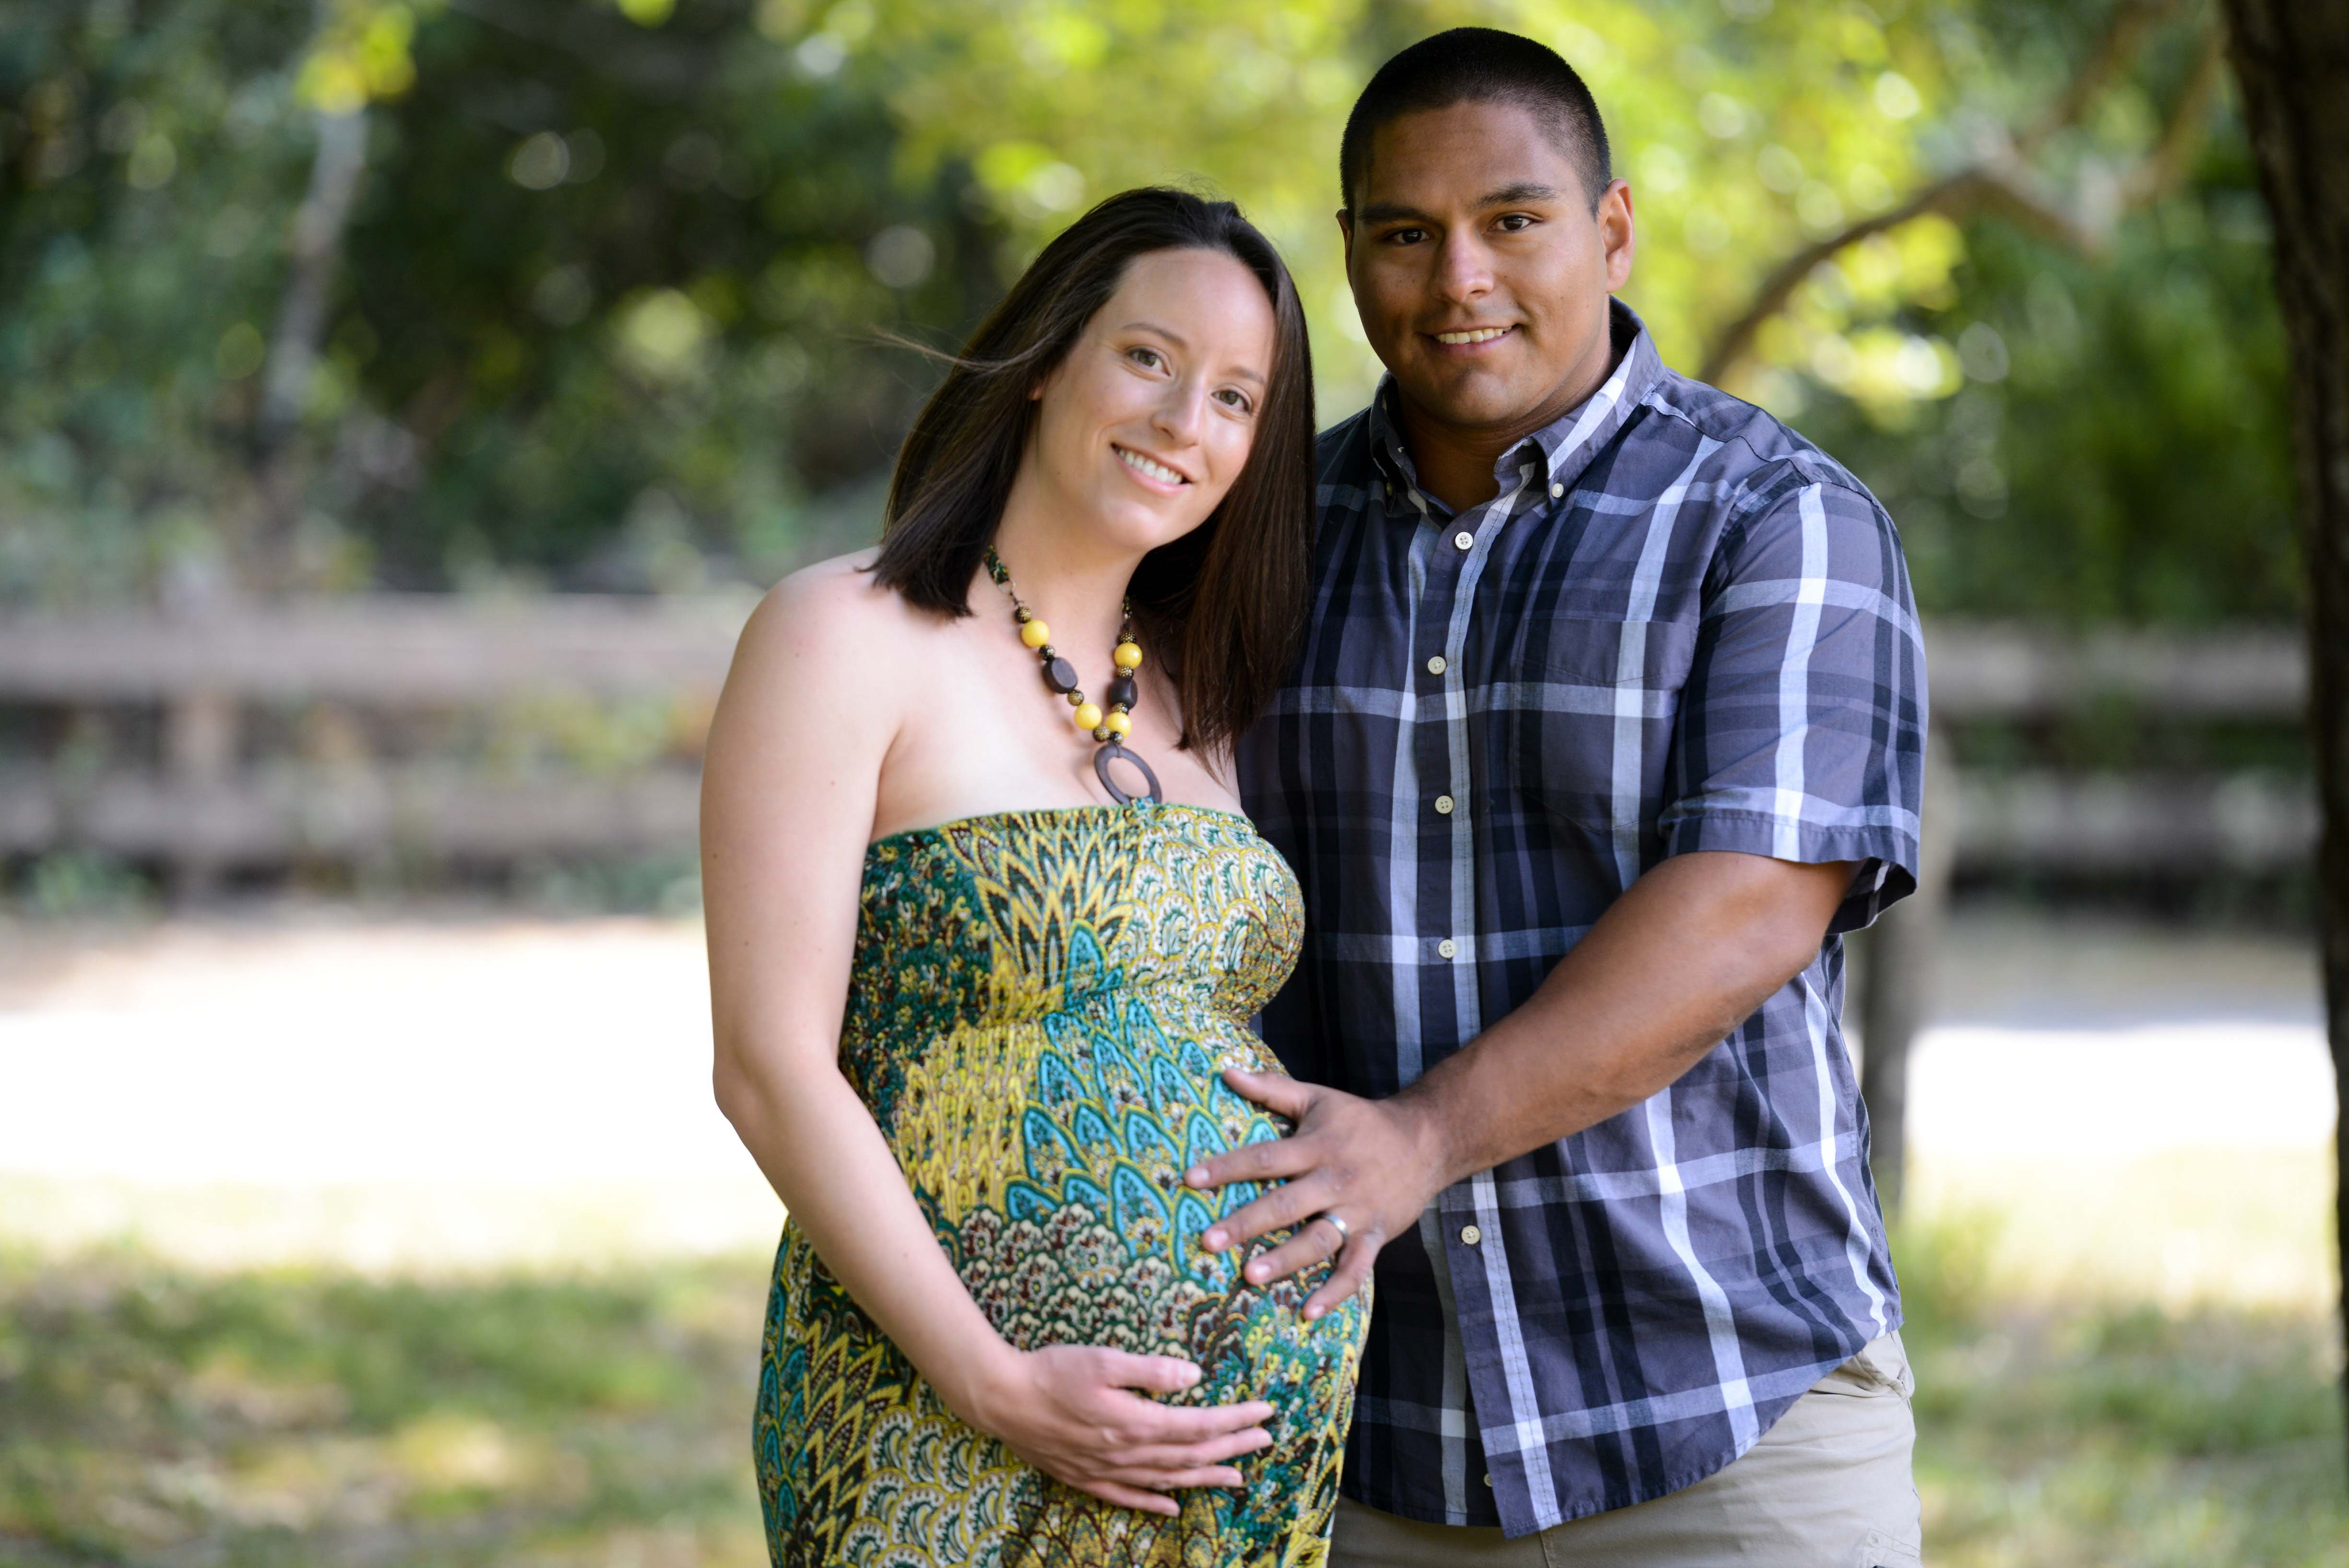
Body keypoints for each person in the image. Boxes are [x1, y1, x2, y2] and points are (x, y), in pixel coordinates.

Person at [1196, 29, 1930, 1568]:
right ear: (1351, 253)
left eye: (1513, 220)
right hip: (1357, 1430)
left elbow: (1747, 910)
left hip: (1724, 1412)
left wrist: (1419, 1137)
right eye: (1406, 233)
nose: (1459, 277)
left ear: (1612, 229)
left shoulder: (1778, 517)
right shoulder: (1255, 542)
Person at [699, 187, 1370, 1568]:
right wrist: (992, 1380)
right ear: (1049, 358)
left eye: (1236, 399)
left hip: (1238, 1460)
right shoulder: (843, 634)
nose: (1184, 422)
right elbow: (768, 1067)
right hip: (937, 1412)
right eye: (1149, 358)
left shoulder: (1203, 697)